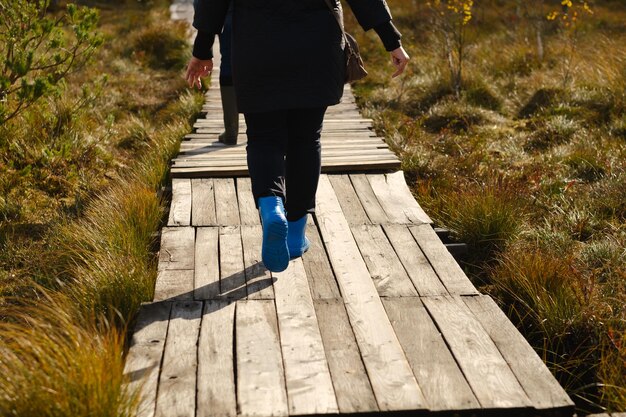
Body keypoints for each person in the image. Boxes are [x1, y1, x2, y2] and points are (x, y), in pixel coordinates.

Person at [186, 0, 409, 273]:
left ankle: (272, 208)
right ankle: (294, 234)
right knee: (306, 138)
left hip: (257, 44)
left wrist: (202, 49)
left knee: (263, 137)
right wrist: (391, 39)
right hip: (317, 43)